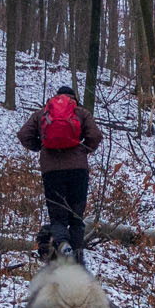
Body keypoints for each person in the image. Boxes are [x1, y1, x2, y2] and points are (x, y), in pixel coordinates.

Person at [17, 85, 103, 259]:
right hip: (78, 170)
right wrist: (83, 150)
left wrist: (40, 147)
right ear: (74, 98)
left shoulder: (42, 114)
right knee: (76, 218)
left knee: (58, 217)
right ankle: (77, 259)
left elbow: (23, 135)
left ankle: (63, 245)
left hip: (52, 171)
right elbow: (95, 136)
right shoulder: (81, 113)